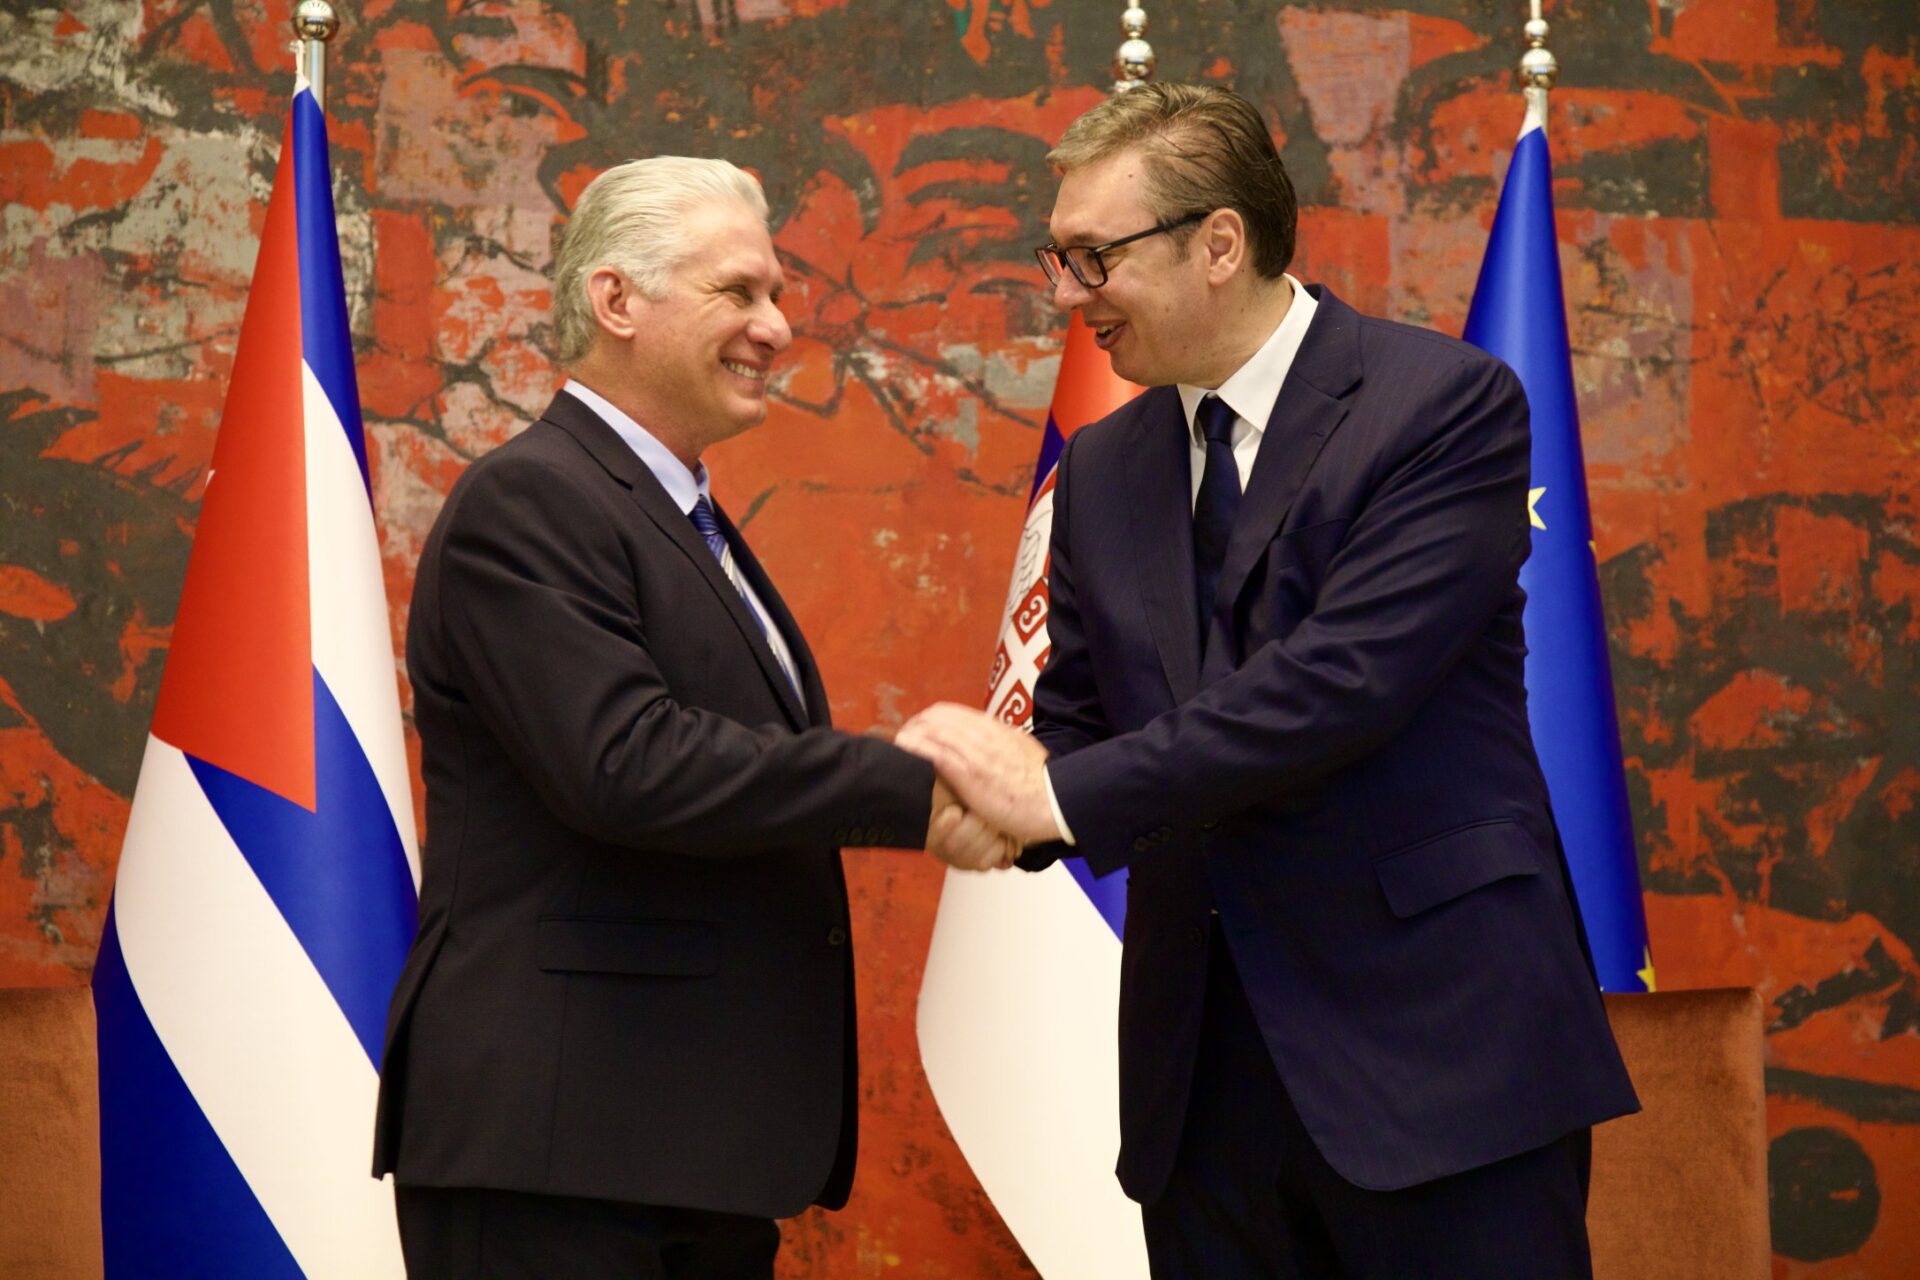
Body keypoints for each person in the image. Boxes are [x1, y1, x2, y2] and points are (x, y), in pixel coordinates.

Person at [897, 83, 1641, 1278]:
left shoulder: (1441, 408)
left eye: (1094, 258)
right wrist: (959, 801)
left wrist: (1057, 798)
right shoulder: (1101, 468)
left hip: (1438, 1058)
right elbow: (1074, 732)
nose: (1066, 296)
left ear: (1219, 243)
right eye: (1058, 258)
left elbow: (1340, 682)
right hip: (1208, 1092)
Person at [372, 157, 1013, 1280]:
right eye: (739, 292)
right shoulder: (529, 503)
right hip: (560, 1154)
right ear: (617, 302)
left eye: (776, 295)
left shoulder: (685, 518)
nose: (776, 327)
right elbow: (627, 761)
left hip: (681, 1146)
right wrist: (917, 785)